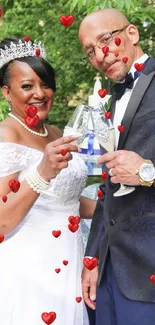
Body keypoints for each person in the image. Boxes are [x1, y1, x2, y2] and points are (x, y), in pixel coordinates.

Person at [0, 37, 96, 325]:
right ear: (6, 92)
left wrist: (117, 206)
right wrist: (42, 172)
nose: (39, 93)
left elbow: (65, 199)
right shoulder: (6, 135)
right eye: (27, 86)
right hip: (29, 268)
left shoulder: (55, 132)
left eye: (45, 83)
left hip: (69, 259)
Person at [79, 8, 155, 325]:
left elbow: (141, 172)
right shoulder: (109, 101)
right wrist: (93, 257)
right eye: (90, 51)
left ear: (132, 34)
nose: (100, 55)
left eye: (105, 40)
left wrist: (148, 173)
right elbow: (107, 187)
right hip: (110, 272)